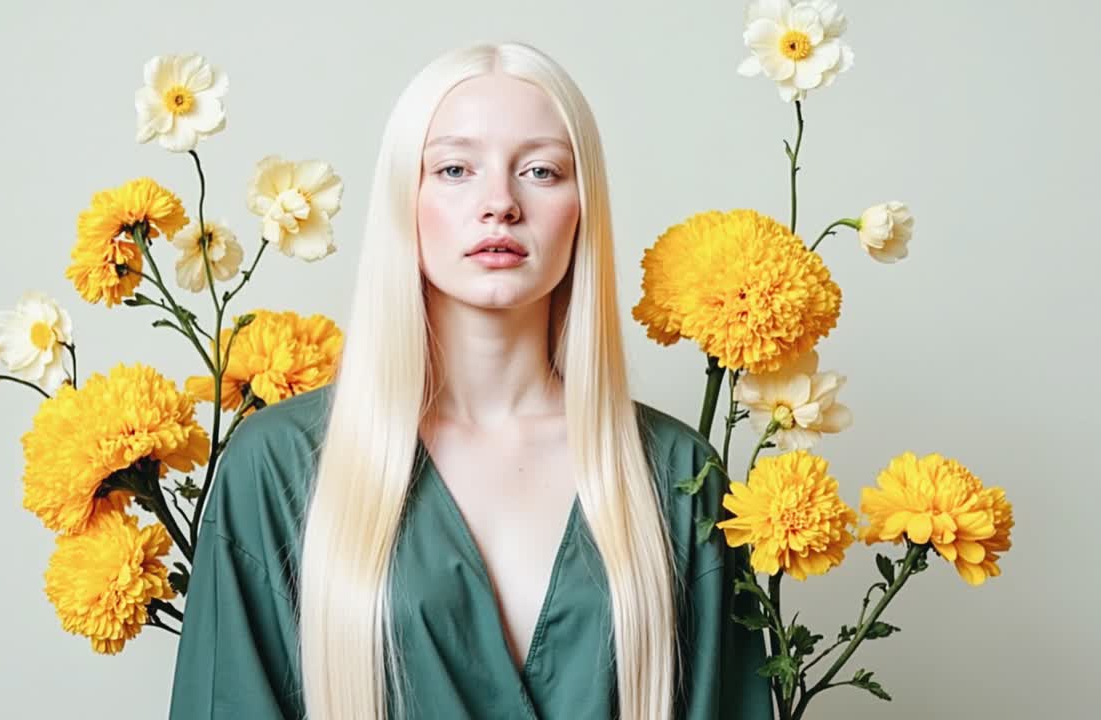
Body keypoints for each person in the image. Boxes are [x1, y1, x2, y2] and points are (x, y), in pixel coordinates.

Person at [168, 41, 773, 720]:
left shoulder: (675, 474)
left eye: (541, 171)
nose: (499, 204)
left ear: (584, 207)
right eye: (455, 168)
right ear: (406, 198)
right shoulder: (278, 466)